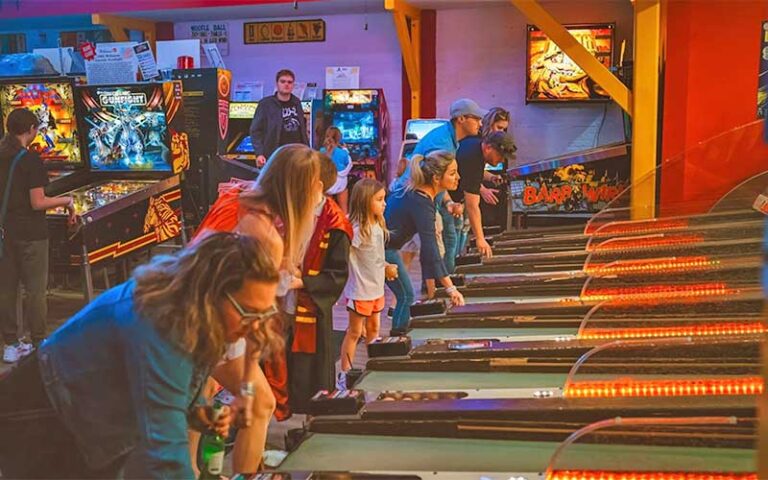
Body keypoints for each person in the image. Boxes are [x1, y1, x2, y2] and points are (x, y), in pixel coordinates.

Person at [0, 232, 281, 479]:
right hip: (42, 416)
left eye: (263, 313)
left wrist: (203, 408)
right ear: (212, 293)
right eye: (248, 312)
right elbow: (166, 457)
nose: (255, 324)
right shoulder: (162, 321)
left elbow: (252, 340)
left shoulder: (203, 308)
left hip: (90, 423)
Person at [192, 144, 327, 472]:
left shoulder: (241, 199)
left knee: (201, 407)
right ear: (299, 188)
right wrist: (247, 389)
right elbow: (256, 321)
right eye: (316, 186)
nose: (321, 194)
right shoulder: (264, 233)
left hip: (197, 317)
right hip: (209, 327)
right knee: (254, 403)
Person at [0, 108, 76, 364]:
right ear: (31, 129)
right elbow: (37, 201)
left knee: (7, 290)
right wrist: (67, 201)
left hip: (5, 233)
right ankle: (38, 343)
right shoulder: (30, 160)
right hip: (31, 234)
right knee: (35, 291)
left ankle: (10, 345)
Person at [286, 153, 351, 412]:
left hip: (310, 307)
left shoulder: (335, 223)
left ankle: (312, 423)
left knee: (311, 375)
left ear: (317, 185)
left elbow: (337, 274)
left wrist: (303, 282)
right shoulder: (291, 206)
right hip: (279, 303)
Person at [385, 151, 465, 335]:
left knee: (404, 295)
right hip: (380, 249)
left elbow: (429, 252)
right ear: (437, 178)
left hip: (384, 247)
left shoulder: (418, 195)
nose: (458, 177)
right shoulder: (421, 202)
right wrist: (450, 288)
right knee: (406, 295)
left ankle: (395, 338)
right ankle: (396, 341)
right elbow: (430, 249)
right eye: (452, 173)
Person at [337, 179, 397, 389]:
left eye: (384, 199)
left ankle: (373, 368)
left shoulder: (377, 225)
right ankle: (344, 373)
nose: (384, 204)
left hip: (376, 288)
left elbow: (375, 257)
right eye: (379, 200)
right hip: (360, 290)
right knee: (354, 332)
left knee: (374, 330)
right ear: (364, 201)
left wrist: (387, 265)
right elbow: (343, 254)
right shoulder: (357, 229)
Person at [450, 131, 517, 258]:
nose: (502, 159)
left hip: (450, 199)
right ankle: (445, 276)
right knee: (449, 241)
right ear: (488, 148)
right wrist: (480, 239)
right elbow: (472, 205)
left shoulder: (475, 146)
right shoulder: (472, 158)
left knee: (452, 239)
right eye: (501, 155)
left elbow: (471, 171)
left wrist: (491, 177)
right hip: (443, 199)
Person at [249, 69, 309, 167]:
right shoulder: (266, 104)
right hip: (274, 154)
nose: (286, 84)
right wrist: (259, 153)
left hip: (297, 154)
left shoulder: (297, 102)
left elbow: (302, 129)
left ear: (293, 85)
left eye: (290, 82)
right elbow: (255, 130)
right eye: (283, 81)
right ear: (277, 84)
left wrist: (307, 149)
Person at [320, 126, 353, 213]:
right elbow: (349, 164)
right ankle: (344, 215)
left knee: (325, 200)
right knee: (344, 191)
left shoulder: (321, 151)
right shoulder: (343, 153)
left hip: (327, 186)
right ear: (339, 139)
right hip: (340, 186)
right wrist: (345, 149)